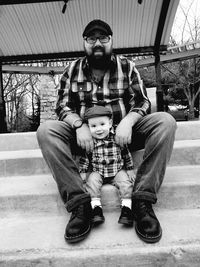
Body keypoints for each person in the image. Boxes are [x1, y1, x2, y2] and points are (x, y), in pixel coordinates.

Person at [37, 19, 177, 244]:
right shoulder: (71, 69)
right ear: (84, 42)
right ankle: (80, 204)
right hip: (84, 139)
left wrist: (129, 121)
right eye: (91, 39)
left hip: (123, 137)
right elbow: (62, 106)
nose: (98, 43)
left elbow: (142, 101)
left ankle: (141, 200)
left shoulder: (126, 66)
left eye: (103, 38)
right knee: (46, 131)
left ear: (112, 40)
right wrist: (78, 125)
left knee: (166, 122)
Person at [79, 105, 135, 226]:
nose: (98, 129)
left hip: (117, 170)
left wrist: (130, 169)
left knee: (125, 183)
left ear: (110, 123)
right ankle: (96, 209)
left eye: (102, 124)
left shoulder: (117, 137)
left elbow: (126, 153)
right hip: (98, 171)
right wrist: (83, 171)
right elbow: (85, 158)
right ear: (88, 127)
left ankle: (127, 209)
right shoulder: (91, 141)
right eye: (93, 126)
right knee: (92, 182)